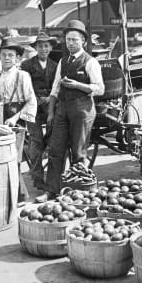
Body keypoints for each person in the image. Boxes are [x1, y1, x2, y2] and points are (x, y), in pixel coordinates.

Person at [46, 20, 105, 196]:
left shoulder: (90, 62)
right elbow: (55, 89)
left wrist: (78, 85)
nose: (70, 43)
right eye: (68, 40)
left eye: (74, 40)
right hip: (62, 109)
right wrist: (50, 112)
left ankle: (77, 193)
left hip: (82, 110)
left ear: (83, 42)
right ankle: (53, 191)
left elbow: (100, 88)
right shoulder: (62, 61)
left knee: (79, 152)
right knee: (55, 150)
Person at [0, 38, 37, 201]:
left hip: (17, 121)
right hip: (0, 121)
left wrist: (15, 117)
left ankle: (20, 196)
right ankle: (7, 196)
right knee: (1, 159)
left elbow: (31, 101)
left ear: (18, 59)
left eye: (11, 55)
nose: (7, 58)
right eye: (4, 55)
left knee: (14, 159)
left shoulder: (22, 76)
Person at [20, 32, 59, 191]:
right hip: (32, 107)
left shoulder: (55, 66)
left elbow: (56, 88)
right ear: (35, 48)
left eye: (46, 46)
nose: (43, 49)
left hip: (49, 107)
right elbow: (24, 88)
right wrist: (36, 99)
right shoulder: (27, 65)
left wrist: (50, 99)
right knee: (35, 141)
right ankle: (37, 178)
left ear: (50, 48)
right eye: (40, 46)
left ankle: (52, 176)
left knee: (52, 140)